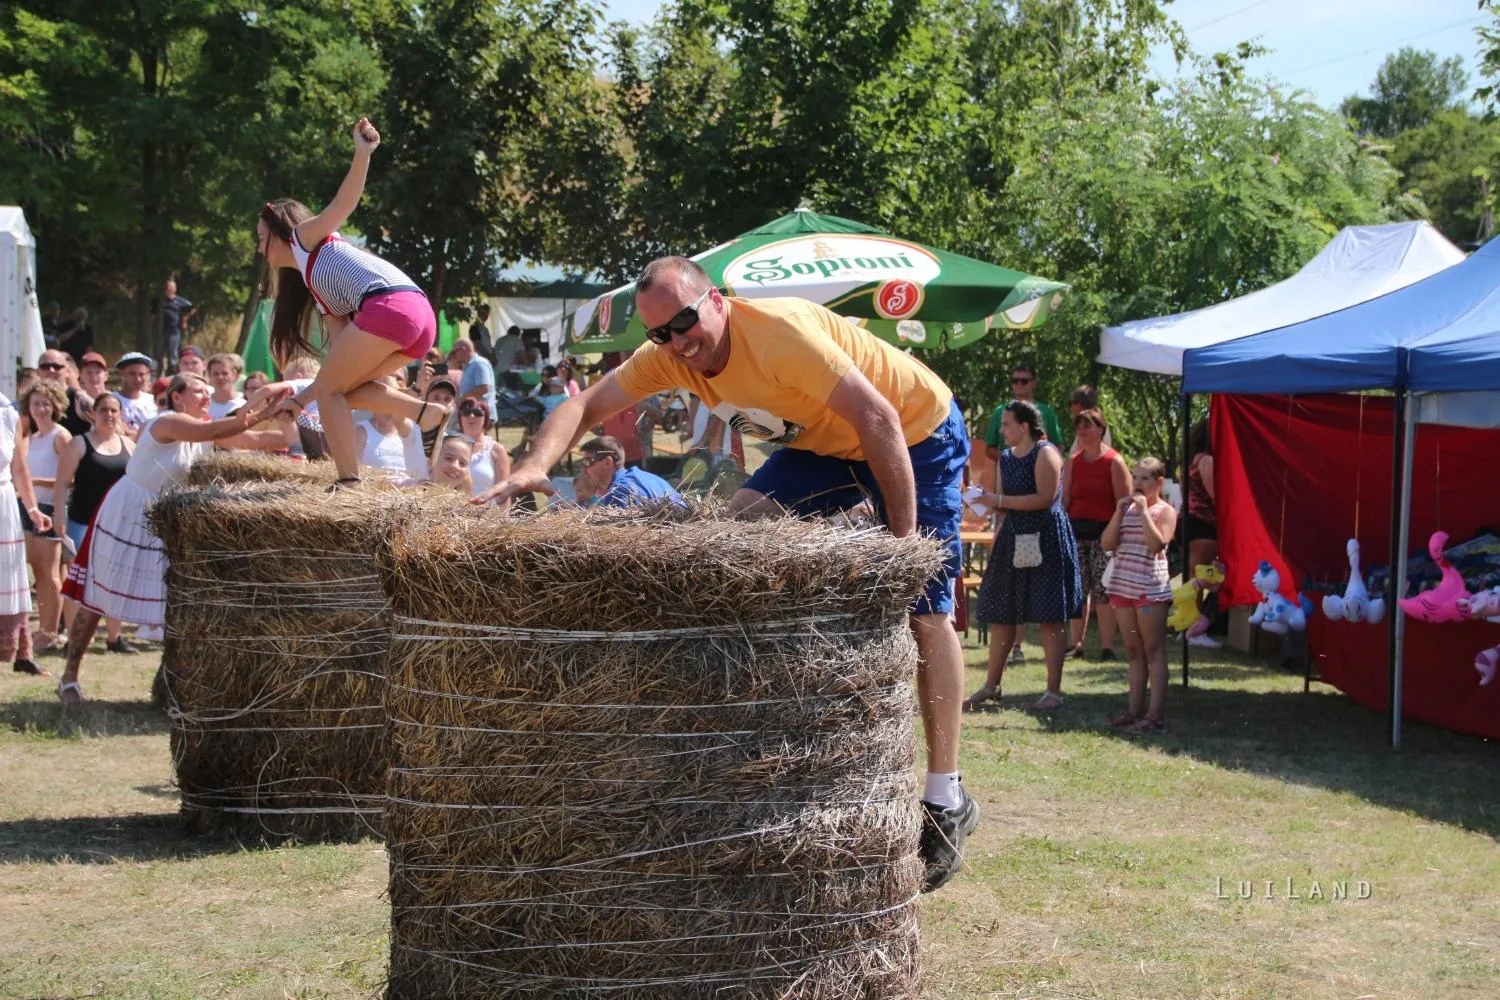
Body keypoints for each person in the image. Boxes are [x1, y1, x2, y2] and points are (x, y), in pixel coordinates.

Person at [476, 256, 976, 893]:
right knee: (739, 527)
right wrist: (533, 463)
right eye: (660, 333)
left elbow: (878, 418)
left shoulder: (779, 335)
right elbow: (586, 405)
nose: (678, 343)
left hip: (915, 431)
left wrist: (902, 548)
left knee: (926, 610)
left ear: (716, 300)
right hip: (824, 447)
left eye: (685, 322)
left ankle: (945, 796)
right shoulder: (670, 356)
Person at [56, 375, 287, 704]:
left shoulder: (205, 429)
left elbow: (254, 438)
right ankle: (69, 678)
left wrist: (292, 419)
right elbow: (218, 428)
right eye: (198, 391)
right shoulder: (167, 421)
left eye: (207, 391)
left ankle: (170, 682)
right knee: (97, 596)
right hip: (127, 510)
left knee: (173, 601)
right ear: (177, 397)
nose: (206, 396)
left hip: (163, 517)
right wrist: (264, 406)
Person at [252, 118, 449, 490]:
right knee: (343, 389)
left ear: (280, 232)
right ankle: (427, 414)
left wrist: (363, 153)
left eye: (261, 239)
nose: (259, 249)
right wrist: (301, 401)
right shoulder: (319, 283)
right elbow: (335, 368)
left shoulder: (303, 238)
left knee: (331, 391)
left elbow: (343, 204)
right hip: (419, 316)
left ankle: (348, 481)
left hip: (392, 308)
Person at [964, 400, 1081, 715]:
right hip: (1013, 537)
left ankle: (1053, 691)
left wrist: (998, 499)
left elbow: (1045, 498)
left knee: (1050, 615)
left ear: (1024, 426)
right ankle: (991, 685)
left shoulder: (1046, 453)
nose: (1001, 430)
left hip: (1046, 538)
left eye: (1006, 424)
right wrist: (986, 504)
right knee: (1003, 611)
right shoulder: (1005, 458)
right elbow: (1004, 504)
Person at [54, 392, 137, 654]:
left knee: (114, 580)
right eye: (103, 410)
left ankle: (114, 638)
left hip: (116, 525)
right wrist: (59, 516)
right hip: (81, 522)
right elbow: (62, 482)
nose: (109, 415)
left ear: (120, 414)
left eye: (114, 410)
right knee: (78, 581)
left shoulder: (129, 446)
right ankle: (72, 637)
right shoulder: (79, 443)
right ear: (93, 413)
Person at [1101, 457, 1177, 734]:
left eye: (1145, 478)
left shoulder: (1165, 511)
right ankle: (1134, 712)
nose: (1138, 483)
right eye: (1135, 477)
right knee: (1133, 651)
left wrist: (1145, 512)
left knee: (1153, 650)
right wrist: (1118, 513)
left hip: (1149, 590)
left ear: (1159, 482)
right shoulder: (1126, 509)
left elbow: (1157, 544)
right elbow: (1107, 543)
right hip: (1123, 586)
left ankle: (1155, 716)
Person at [1061, 408, 1129, 661]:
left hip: (1105, 535)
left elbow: (1124, 504)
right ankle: (1076, 644)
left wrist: (1117, 537)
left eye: (1087, 426)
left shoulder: (1114, 462)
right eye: (1079, 426)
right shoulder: (1073, 462)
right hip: (1076, 533)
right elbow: (1065, 500)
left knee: (1103, 590)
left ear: (1101, 429)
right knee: (1078, 590)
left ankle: (1107, 646)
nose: (1082, 431)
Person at [18, 379, 73, 653]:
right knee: (38, 572)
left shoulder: (60, 436)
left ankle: (51, 632)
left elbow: (70, 478)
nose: (40, 409)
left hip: (51, 509)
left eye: (45, 404)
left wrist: (35, 482)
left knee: (51, 574)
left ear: (55, 406)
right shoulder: (31, 438)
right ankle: (43, 629)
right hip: (30, 509)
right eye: (36, 404)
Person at [0, 388, 52, 678]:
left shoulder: (7, 414)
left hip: (4, 504)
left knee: (9, 576)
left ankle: (22, 653)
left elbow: (19, 468)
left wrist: (33, 509)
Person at [578, 435, 680, 507]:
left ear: (608, 463)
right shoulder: (645, 478)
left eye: (587, 462)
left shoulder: (620, 492)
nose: (584, 469)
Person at [457, 400, 511, 500]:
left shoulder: (496, 450)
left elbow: (504, 491)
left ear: (486, 418)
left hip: (488, 508)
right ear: (460, 417)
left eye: (477, 413)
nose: (471, 416)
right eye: (466, 412)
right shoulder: (448, 447)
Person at [1184, 420, 1216, 578]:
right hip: (1203, 523)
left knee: (1193, 576)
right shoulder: (1206, 460)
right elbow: (1216, 495)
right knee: (1198, 579)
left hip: (1190, 521)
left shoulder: (1189, 463)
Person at [36, 348, 91, 438]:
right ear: (38, 372)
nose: (51, 370)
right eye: (45, 367)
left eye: (57, 366)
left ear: (67, 372)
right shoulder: (32, 401)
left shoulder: (80, 400)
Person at [113, 352, 158, 441]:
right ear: (122, 374)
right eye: (132, 374)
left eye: (141, 374)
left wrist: (130, 433)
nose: (137, 379)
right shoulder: (111, 400)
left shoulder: (153, 401)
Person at [155, 278, 196, 373]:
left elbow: (192, 308)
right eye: (167, 288)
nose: (169, 290)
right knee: (158, 354)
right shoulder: (159, 301)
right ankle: (157, 373)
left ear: (175, 289)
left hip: (174, 330)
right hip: (160, 331)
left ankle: (171, 374)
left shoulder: (180, 301)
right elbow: (152, 313)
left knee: (172, 355)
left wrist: (185, 319)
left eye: (171, 288)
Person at [453, 337, 497, 424]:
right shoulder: (468, 366)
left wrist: (462, 398)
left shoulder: (478, 364)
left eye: (455, 351)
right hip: (472, 413)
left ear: (463, 349)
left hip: (481, 414)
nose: (454, 355)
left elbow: (485, 388)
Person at [1066, 385, 1113, 455]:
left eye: (1070, 403)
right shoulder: (1097, 422)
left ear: (1078, 403)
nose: (1070, 407)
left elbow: (1082, 456)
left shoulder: (1088, 426)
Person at [207, 353, 246, 418]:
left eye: (225, 373)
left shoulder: (243, 406)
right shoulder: (203, 405)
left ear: (235, 375)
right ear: (209, 376)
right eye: (215, 374)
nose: (220, 377)